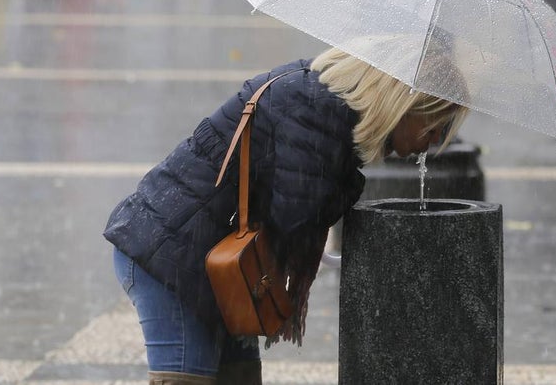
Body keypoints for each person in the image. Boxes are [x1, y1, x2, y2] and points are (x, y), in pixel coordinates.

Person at [104, 47, 469, 384]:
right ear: (403, 104)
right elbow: (296, 217)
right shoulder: (319, 111)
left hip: (221, 267)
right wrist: (350, 181)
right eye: (435, 124)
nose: (437, 139)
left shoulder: (325, 102)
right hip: (171, 257)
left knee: (240, 378)